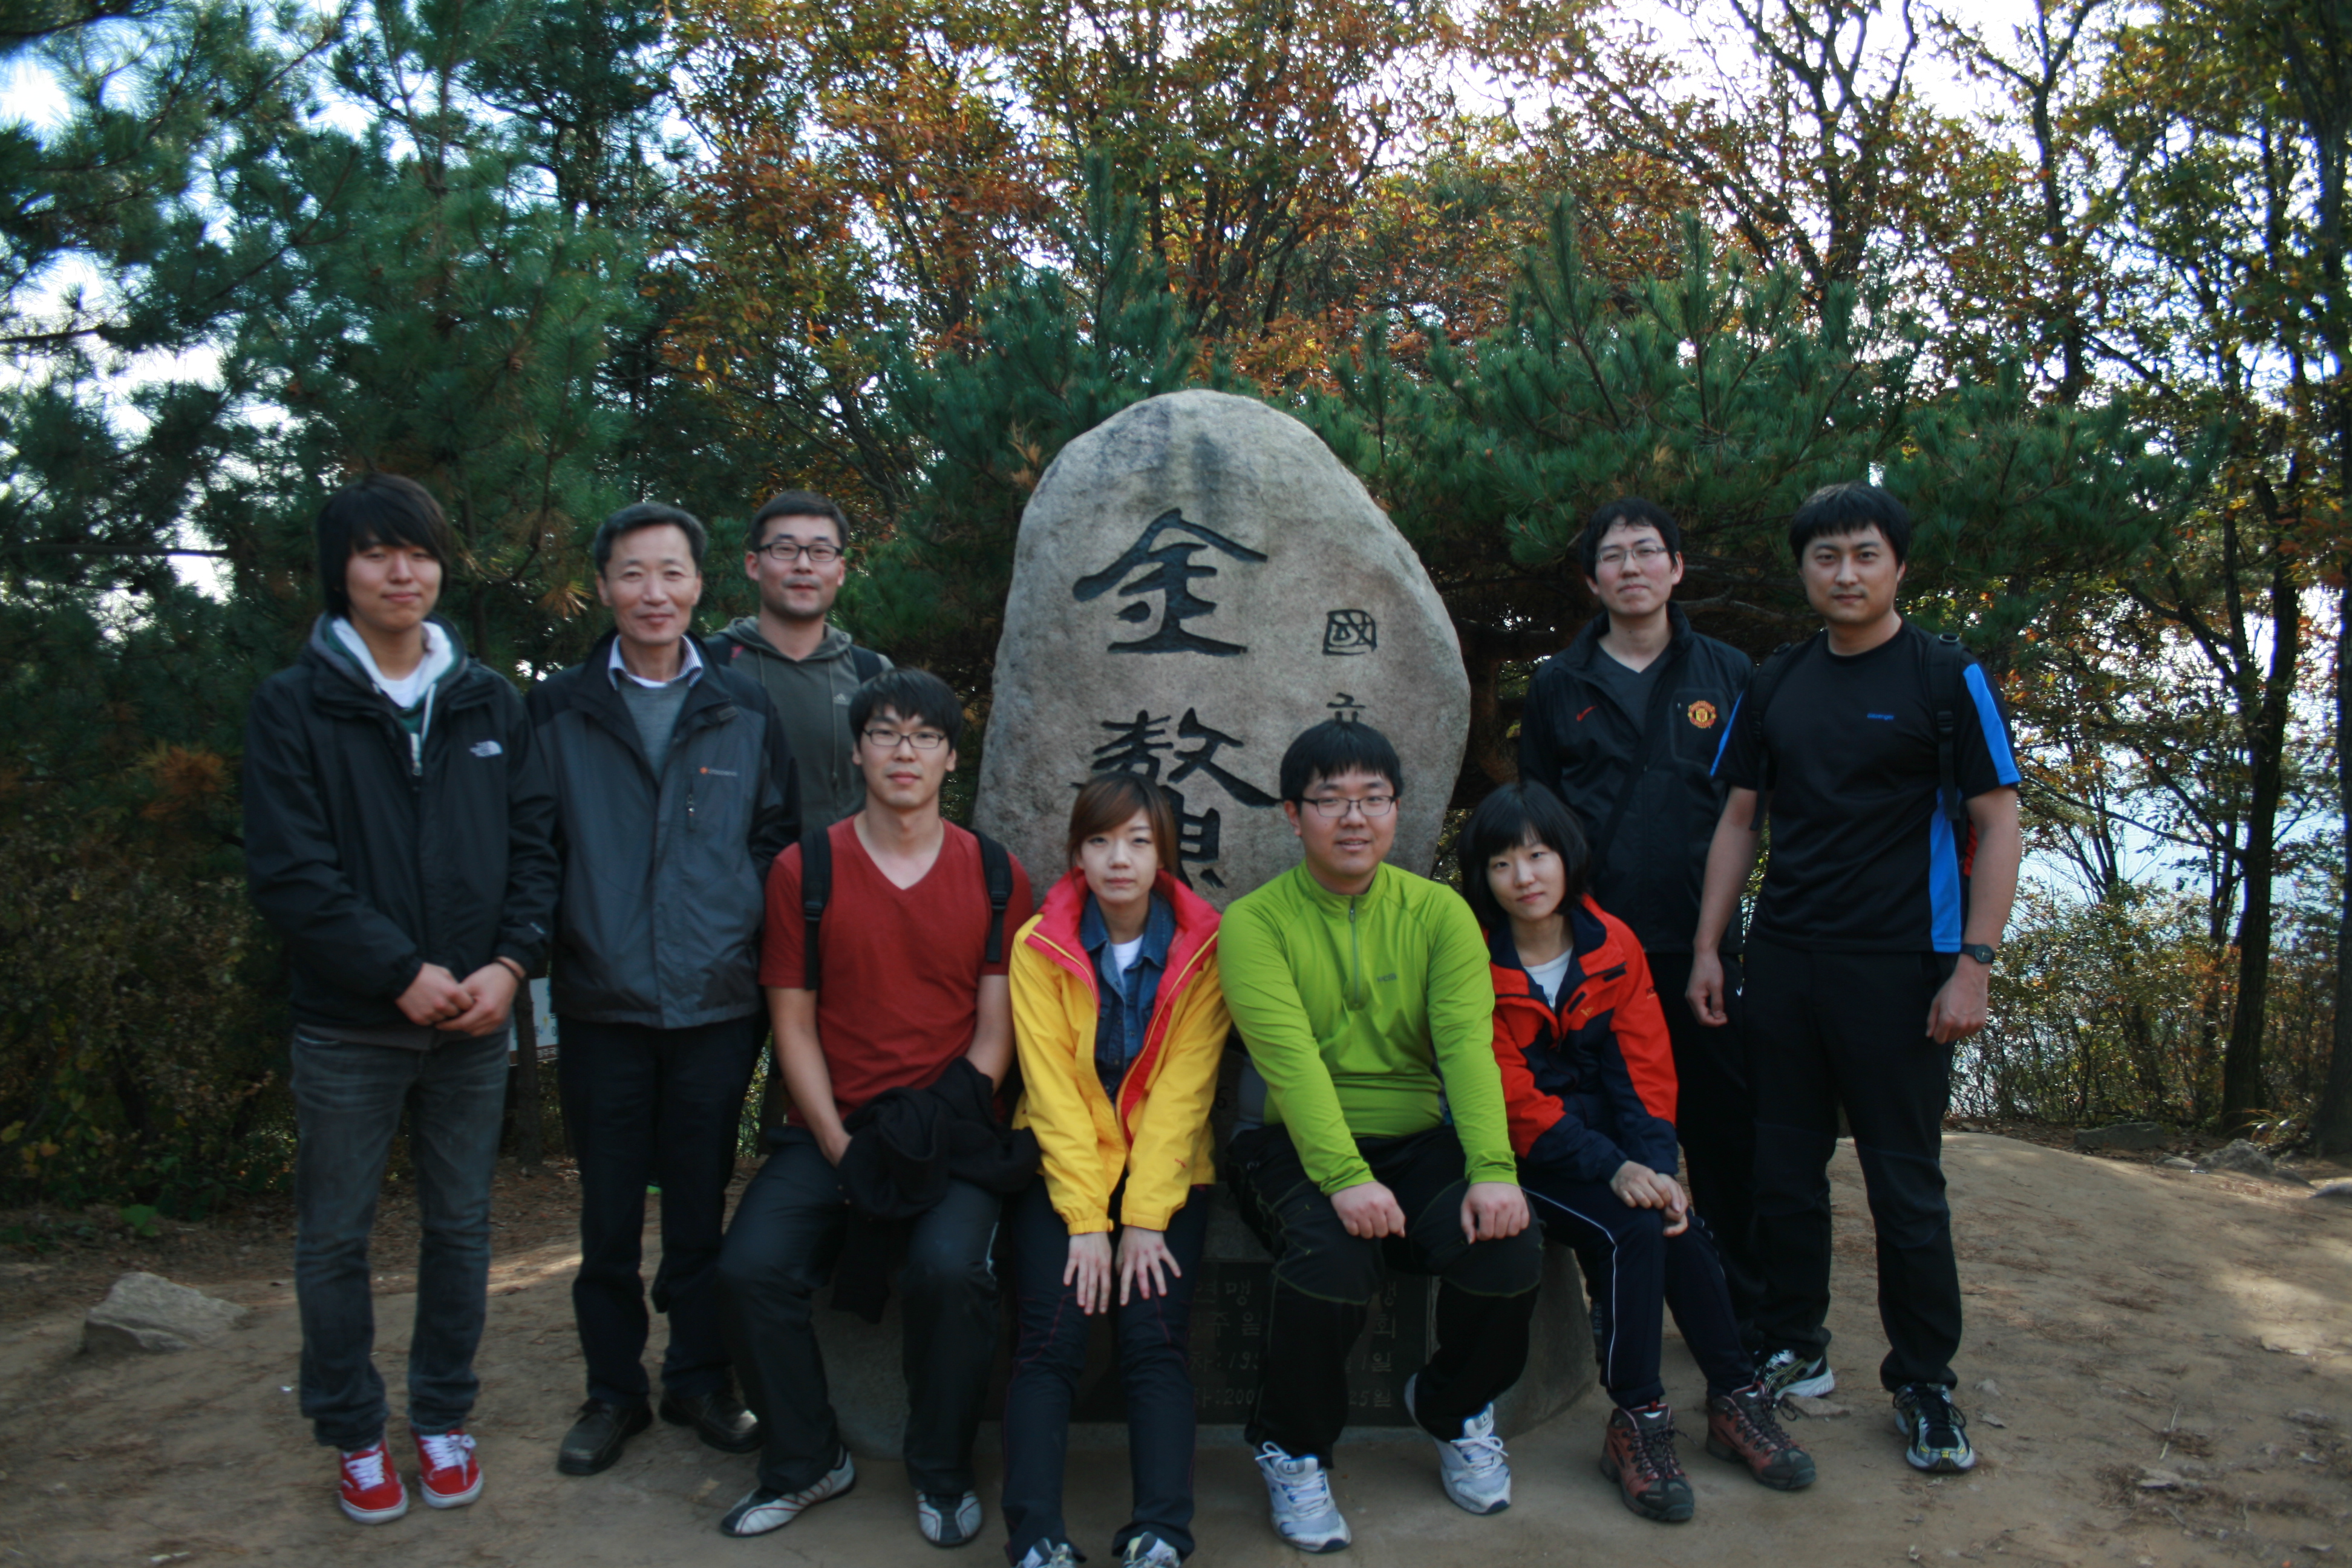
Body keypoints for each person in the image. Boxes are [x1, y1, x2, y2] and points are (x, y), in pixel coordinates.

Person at [243, 473, 558, 1523]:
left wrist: (510, 965)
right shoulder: (295, 703)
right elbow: (291, 873)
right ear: (340, 570)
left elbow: (534, 849)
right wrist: (397, 972)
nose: (401, 572)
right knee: (334, 1237)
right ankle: (352, 1430)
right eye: (376, 553)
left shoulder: (486, 699)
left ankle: (442, 1416)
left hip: (474, 1018)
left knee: (460, 1229)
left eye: (418, 552)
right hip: (350, 1027)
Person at [1690, 482, 2022, 1474]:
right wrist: (1710, 947)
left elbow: (1998, 819)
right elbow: (1740, 818)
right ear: (1803, 569)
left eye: (1864, 554)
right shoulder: (1776, 680)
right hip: (1787, 959)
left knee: (1903, 1185)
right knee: (1783, 1173)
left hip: (1902, 965)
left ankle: (1923, 1382)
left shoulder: (1943, 675)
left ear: (1898, 566)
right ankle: (1795, 1342)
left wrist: (1974, 965)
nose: (1845, 573)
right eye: (1825, 556)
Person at [714, 668, 1036, 1547]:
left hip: (952, 1131)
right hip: (835, 1128)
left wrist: (937, 1120)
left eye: (926, 736)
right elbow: (793, 1024)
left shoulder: (997, 875)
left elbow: (998, 1029)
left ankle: (941, 1467)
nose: (905, 751)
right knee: (749, 1269)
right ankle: (806, 1458)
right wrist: (837, 1141)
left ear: (951, 758)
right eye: (885, 733)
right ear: (858, 751)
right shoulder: (806, 869)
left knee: (950, 1275)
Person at [1219, 719, 1541, 1552]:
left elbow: (1467, 1047)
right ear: (1293, 815)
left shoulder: (1439, 913)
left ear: (1399, 809)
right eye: (1330, 800)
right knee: (1332, 1260)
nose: (1354, 817)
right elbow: (1291, 1065)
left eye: (1374, 798)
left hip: (1415, 1137)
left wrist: (1492, 1168)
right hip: (1286, 1142)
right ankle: (1292, 1448)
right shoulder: (1255, 923)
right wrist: (1344, 1177)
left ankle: (1450, 1405)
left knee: (1508, 1249)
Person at [528, 502, 801, 1477]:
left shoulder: (744, 708)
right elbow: (534, 846)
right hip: (601, 1002)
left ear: (698, 585)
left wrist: (736, 930)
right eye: (634, 573)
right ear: (603, 586)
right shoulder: (557, 709)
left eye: (672, 572)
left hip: (714, 1003)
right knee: (606, 1216)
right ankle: (613, 1392)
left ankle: (697, 1377)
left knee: (697, 1206)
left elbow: (775, 843)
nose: (655, 592)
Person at [1461, 782, 1812, 1523]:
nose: (1524, 877)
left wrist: (1655, 1166)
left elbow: (1645, 1067)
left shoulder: (1611, 944)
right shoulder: (1473, 960)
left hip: (1616, 1151)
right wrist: (1614, 1169)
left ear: (1568, 857)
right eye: (1501, 863)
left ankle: (1735, 1397)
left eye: (1538, 855)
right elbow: (1511, 1100)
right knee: (1633, 1227)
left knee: (1675, 1219)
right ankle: (1638, 1418)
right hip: (1527, 1158)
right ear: (1482, 878)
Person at [1516, 497, 1763, 1341]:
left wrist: (1715, 943)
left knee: (1722, 1130)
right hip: (1592, 954)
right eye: (1613, 556)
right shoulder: (1559, 684)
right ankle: (1615, 1301)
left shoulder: (1728, 673)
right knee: (1603, 1123)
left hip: (1702, 946)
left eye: (1647, 551)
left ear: (1676, 567)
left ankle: (1739, 1310)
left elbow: (1750, 811)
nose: (1632, 568)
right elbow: (1538, 825)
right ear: (1592, 580)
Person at [1001, 775, 1230, 1568]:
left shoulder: (1205, 950)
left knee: (1154, 1336)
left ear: (1164, 854)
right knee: (1051, 1337)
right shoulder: (1040, 945)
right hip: (1064, 1167)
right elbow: (1051, 1093)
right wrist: (1087, 1222)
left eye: (1138, 841)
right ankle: (1036, 1537)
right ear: (1077, 854)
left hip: (1166, 1172)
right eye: (1099, 841)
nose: (1118, 859)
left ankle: (1161, 1532)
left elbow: (1184, 1094)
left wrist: (1143, 1219)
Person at [709, 489, 892, 829]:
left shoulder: (872, 674)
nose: (804, 565)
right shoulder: (708, 665)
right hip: (734, 862)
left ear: (840, 570)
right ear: (754, 565)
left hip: (840, 862)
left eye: (821, 552)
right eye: (785, 549)